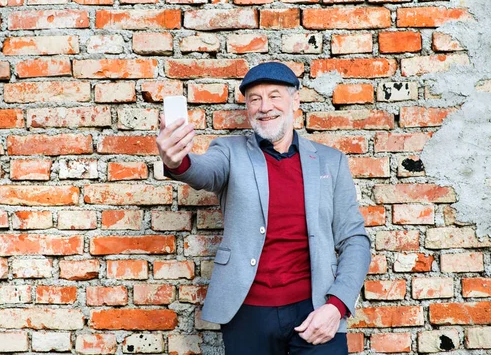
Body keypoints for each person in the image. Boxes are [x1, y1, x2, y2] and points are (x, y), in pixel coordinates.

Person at [156, 62, 371, 355]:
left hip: (315, 311)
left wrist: (336, 306)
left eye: (274, 96)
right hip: (248, 314)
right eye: (254, 99)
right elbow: (203, 171)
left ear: (295, 100)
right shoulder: (229, 151)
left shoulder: (330, 161)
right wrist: (175, 160)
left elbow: (354, 240)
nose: (264, 106)